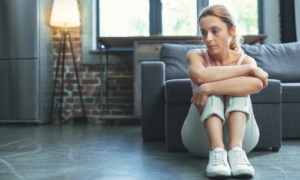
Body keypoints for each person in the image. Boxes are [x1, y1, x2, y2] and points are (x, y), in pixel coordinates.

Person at [181, 5, 269, 179]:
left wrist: (209, 88)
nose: (208, 38)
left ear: (232, 31)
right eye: (204, 32)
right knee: (210, 88)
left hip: (244, 143)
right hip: (200, 140)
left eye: (215, 31)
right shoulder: (196, 55)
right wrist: (247, 70)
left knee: (226, 89)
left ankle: (236, 151)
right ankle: (217, 151)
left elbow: (259, 84)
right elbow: (199, 76)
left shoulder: (246, 60)